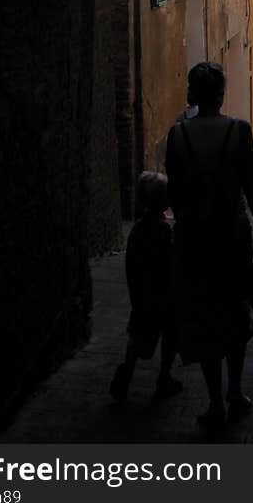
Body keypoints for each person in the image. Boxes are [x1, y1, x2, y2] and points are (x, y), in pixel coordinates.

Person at [164, 62, 253, 438]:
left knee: (204, 316)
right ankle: (236, 391)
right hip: (233, 237)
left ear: (193, 93)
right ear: (222, 94)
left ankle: (214, 400)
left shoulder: (177, 136)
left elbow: (175, 196)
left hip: (194, 240)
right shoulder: (239, 132)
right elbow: (252, 189)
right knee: (234, 313)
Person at [109, 171, 183, 402]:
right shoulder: (165, 232)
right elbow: (173, 262)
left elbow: (131, 264)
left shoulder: (137, 231)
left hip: (143, 296)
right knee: (170, 335)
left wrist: (135, 294)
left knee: (137, 336)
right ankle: (164, 378)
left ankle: (126, 373)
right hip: (165, 297)